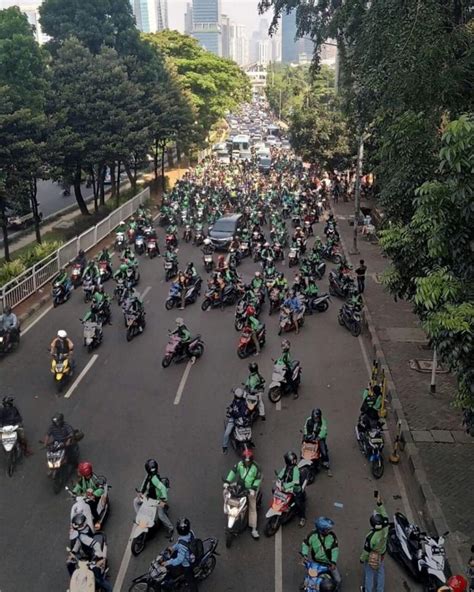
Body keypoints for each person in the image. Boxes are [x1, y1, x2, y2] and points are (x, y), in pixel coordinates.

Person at [67, 513, 112, 592]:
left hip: (93, 556)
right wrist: (73, 552)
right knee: (69, 563)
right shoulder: (83, 531)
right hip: (87, 555)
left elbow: (96, 545)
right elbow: (78, 541)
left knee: (98, 579)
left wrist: (98, 558)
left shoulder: (84, 536)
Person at [224, 449, 262, 539]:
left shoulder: (256, 467)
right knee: (226, 493)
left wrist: (253, 489)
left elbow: (257, 479)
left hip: (250, 489)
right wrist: (227, 481)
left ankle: (254, 529)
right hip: (239, 486)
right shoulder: (240, 464)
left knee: (252, 507)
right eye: (245, 461)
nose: (247, 463)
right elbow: (233, 472)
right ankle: (226, 508)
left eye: (248, 461)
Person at [134, 459, 174, 539]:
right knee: (136, 501)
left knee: (161, 515)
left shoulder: (154, 478)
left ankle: (171, 528)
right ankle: (141, 517)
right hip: (149, 497)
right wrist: (141, 492)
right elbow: (145, 482)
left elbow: (162, 488)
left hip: (157, 500)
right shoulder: (149, 475)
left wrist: (163, 500)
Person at [360, 494, 389, 592]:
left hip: (372, 556)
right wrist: (380, 504)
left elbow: (366, 551)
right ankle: (380, 590)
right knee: (380, 571)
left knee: (369, 573)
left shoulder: (371, 538)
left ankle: (367, 590)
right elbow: (385, 515)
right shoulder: (385, 528)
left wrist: (362, 559)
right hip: (382, 553)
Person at [302, 517, 342, 587]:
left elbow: (335, 550)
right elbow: (305, 544)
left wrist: (333, 562)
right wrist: (304, 555)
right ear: (321, 530)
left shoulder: (332, 536)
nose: (329, 531)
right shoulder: (312, 535)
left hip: (329, 563)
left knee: (338, 580)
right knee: (309, 580)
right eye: (327, 529)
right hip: (316, 561)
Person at [162, 518, 198, 591]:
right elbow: (180, 543)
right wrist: (173, 548)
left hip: (187, 564)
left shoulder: (182, 545)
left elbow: (179, 560)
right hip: (191, 552)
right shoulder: (190, 532)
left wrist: (168, 562)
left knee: (190, 581)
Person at [72, 462, 105, 528]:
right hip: (85, 496)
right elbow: (78, 486)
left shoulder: (94, 479)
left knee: (92, 508)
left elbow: (101, 489)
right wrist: (74, 492)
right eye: (86, 475)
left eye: (88, 475)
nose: (88, 476)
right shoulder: (82, 479)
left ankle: (98, 520)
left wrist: (94, 494)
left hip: (94, 497)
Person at [277, 451, 306, 527]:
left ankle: (302, 517)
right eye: (293, 460)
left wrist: (285, 486)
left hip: (295, 490)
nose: (295, 461)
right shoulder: (287, 467)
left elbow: (295, 482)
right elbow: (282, 473)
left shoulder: (295, 469)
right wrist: (279, 479)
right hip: (286, 488)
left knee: (298, 504)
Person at [304, 408, 332, 475]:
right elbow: (305, 427)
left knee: (323, 451)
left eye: (317, 418)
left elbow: (323, 431)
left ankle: (326, 462)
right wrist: (306, 435)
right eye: (315, 418)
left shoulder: (323, 422)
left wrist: (319, 437)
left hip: (319, 438)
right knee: (303, 446)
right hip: (310, 436)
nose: (316, 419)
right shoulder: (308, 420)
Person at [222, 388, 249, 454]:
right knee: (227, 433)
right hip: (233, 418)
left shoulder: (243, 403)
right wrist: (230, 408)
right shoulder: (235, 400)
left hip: (239, 419)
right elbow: (232, 405)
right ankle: (224, 446)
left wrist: (233, 412)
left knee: (246, 431)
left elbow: (241, 414)